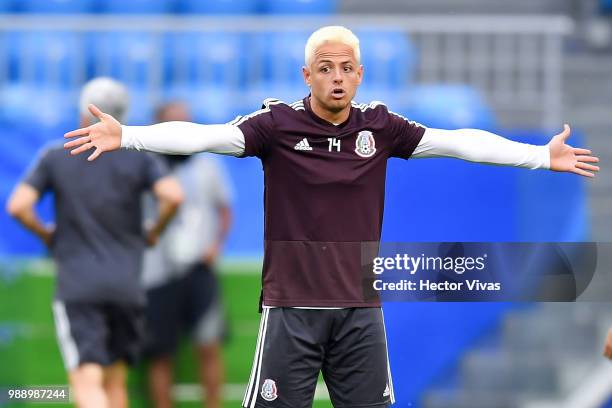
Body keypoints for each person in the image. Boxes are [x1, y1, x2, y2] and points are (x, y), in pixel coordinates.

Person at [63, 26, 600, 408]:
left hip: (360, 311)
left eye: (346, 69)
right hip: (292, 309)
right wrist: (126, 135)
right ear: (308, 74)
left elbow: (459, 142)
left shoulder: (383, 128)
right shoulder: (275, 125)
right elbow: (204, 135)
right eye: (326, 69)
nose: (337, 78)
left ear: (360, 74)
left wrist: (537, 155)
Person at [7, 77, 184, 408]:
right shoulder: (139, 158)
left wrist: (46, 233)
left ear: (82, 113)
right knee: (115, 384)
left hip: (78, 286)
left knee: (87, 383)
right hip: (127, 287)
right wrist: (154, 230)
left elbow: (18, 206)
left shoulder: (55, 158)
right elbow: (172, 196)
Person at [142, 102, 232, 408]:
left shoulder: (208, 166)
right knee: (160, 352)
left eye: (187, 125)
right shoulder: (144, 166)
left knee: (208, 345)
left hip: (199, 268)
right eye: (174, 126)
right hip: (157, 272)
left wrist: (215, 245)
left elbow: (224, 209)